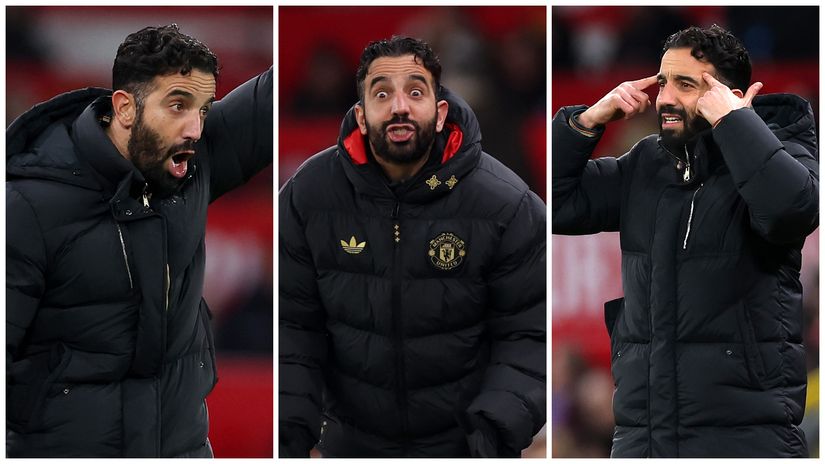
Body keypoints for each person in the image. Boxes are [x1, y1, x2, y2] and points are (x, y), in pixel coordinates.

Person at [6, 24, 272, 457]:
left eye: (204, 109)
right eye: (178, 105)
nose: (195, 128)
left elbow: (268, 98)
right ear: (126, 108)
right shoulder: (27, 206)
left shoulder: (190, 161)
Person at [552, 24, 818, 458]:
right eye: (662, 82)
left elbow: (791, 210)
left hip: (748, 436)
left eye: (686, 84)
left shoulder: (784, 148)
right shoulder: (645, 163)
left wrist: (734, 122)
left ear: (727, 94)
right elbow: (556, 205)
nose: (666, 98)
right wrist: (585, 122)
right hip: (645, 437)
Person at [279, 36, 546, 458]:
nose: (399, 106)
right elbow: (292, 327)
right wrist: (290, 437)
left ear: (440, 113)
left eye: (415, 92)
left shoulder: (508, 205)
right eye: (381, 93)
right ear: (361, 116)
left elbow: (530, 333)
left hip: (464, 447)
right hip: (350, 445)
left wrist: (491, 433)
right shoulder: (307, 197)